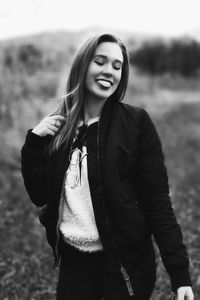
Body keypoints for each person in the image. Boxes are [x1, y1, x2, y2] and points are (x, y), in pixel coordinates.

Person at [21, 33, 194, 300]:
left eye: (117, 65)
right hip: (74, 265)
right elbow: (39, 194)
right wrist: (33, 144)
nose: (109, 71)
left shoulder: (135, 123)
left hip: (125, 264)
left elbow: (156, 200)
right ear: (82, 65)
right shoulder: (60, 127)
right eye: (100, 61)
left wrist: (180, 274)